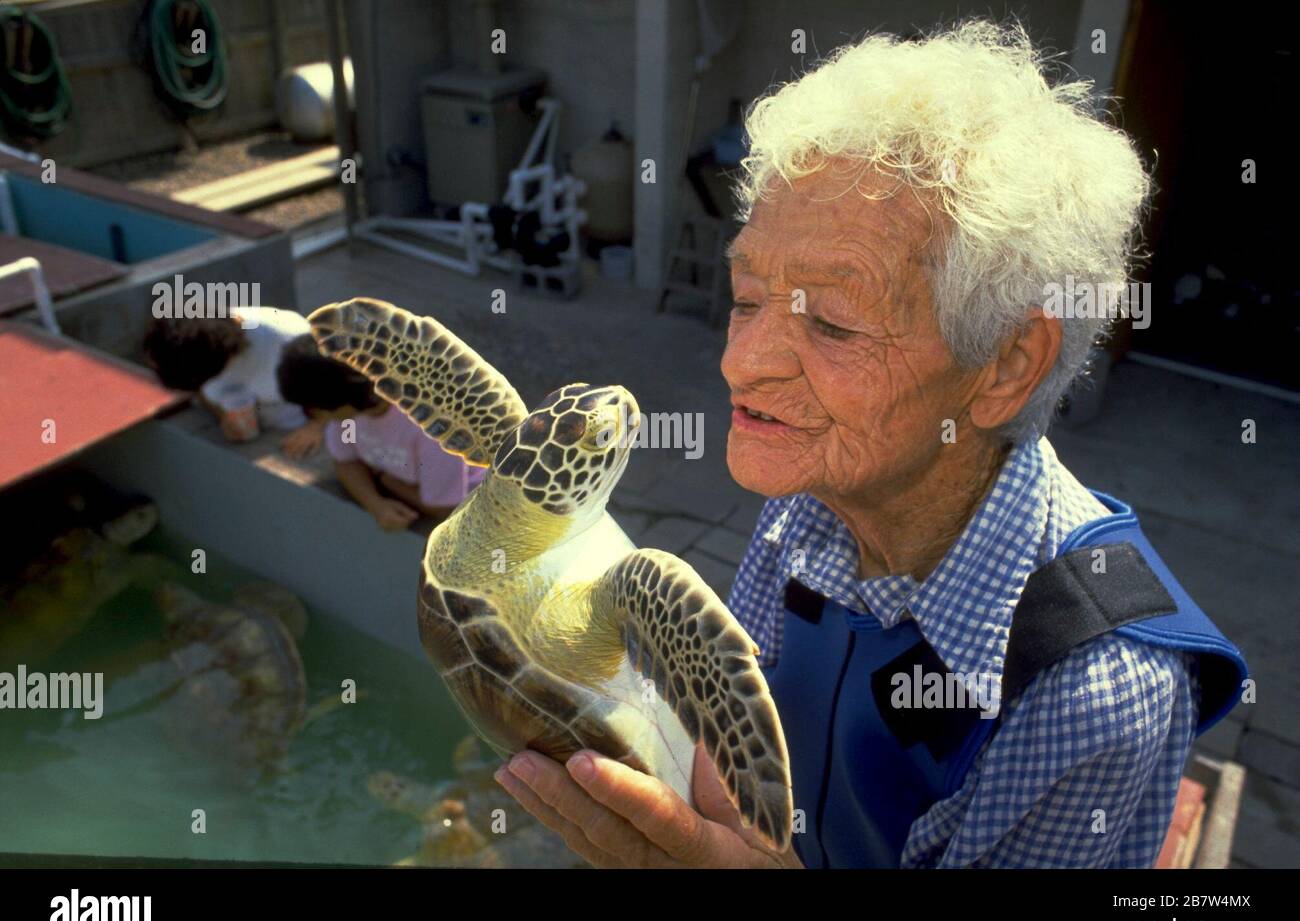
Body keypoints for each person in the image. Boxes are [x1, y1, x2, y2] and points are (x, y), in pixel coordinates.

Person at [490, 21, 1247, 868]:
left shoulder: (1095, 688)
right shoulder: (809, 507)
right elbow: (737, 754)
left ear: (1004, 365)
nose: (741, 365)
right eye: (745, 298)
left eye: (834, 322)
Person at [276, 333, 487, 531]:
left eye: (312, 409)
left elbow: (446, 508)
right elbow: (345, 461)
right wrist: (374, 503)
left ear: (346, 401)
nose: (310, 417)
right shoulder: (346, 413)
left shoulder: (433, 427)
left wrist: (387, 481)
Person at [142, 307, 326, 458]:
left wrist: (317, 426)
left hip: (299, 429)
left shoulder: (291, 341)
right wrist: (222, 415)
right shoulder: (193, 345)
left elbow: (345, 388)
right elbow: (198, 389)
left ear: (229, 355)